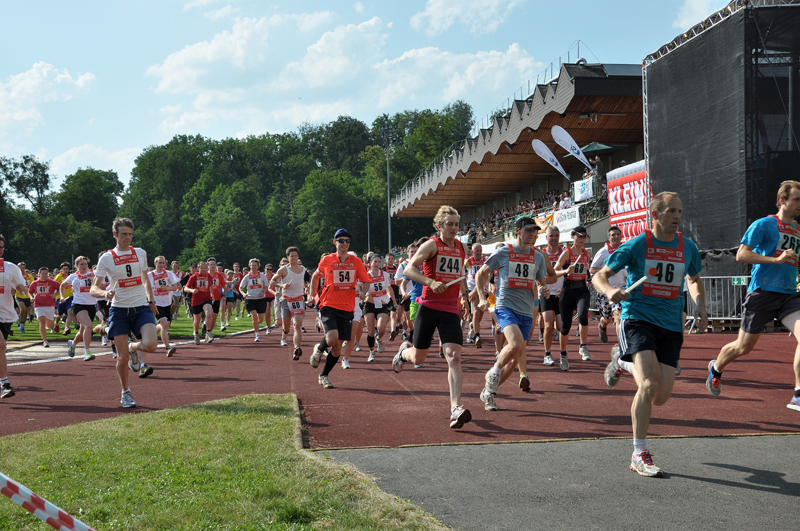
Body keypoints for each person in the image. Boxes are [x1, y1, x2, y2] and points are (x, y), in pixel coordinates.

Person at [594, 191, 708, 477]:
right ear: (655, 215)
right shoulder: (638, 244)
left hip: (671, 324)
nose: (677, 216)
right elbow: (599, 276)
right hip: (638, 318)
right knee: (648, 384)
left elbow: (694, 279)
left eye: (679, 211)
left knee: (660, 397)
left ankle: (622, 362)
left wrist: (700, 306)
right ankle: (639, 452)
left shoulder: (687, 247)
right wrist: (610, 291)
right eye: (671, 211)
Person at [706, 181, 800, 412]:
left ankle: (798, 395)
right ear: (782, 200)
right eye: (797, 199)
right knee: (743, 347)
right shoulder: (764, 224)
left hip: (789, 295)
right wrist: (776, 260)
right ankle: (716, 369)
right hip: (762, 293)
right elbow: (742, 255)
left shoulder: (797, 229)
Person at [392, 206, 473, 429]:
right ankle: (403, 353)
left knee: (454, 356)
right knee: (418, 357)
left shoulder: (461, 247)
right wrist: (430, 282)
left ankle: (455, 408)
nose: (454, 228)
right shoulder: (431, 245)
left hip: (450, 309)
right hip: (428, 307)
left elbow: (460, 275)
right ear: (439, 226)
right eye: (450, 224)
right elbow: (409, 270)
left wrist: (464, 297)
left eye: (457, 224)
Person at [472, 217, 555, 410]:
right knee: (516, 344)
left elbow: (541, 281)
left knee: (515, 358)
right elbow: (481, 273)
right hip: (505, 306)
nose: (532, 234)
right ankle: (493, 371)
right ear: (517, 231)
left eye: (534, 231)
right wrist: (482, 298)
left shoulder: (538, 257)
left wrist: (544, 289)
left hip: (526, 309)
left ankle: (488, 393)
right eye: (528, 230)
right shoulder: (503, 252)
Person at [90, 217, 159, 408]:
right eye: (123, 234)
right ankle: (126, 392)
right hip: (119, 309)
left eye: (130, 234)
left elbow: (145, 279)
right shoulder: (107, 258)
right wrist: (105, 293)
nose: (127, 238)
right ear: (115, 234)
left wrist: (151, 300)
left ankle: (132, 347)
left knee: (151, 345)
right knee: (122, 359)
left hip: (141, 307)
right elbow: (93, 289)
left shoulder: (140, 253)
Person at [307, 229, 370, 388]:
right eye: (341, 240)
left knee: (336, 349)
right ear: (334, 242)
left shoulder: (356, 261)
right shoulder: (327, 260)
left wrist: (363, 292)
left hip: (347, 308)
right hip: (328, 305)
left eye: (347, 241)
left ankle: (324, 375)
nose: (344, 243)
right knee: (332, 338)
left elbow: (366, 281)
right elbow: (315, 276)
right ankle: (319, 349)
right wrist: (311, 295)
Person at [553, 226, 593, 369]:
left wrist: (590, 279)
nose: (582, 239)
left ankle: (583, 346)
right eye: (580, 236)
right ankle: (563, 355)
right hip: (568, 290)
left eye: (584, 237)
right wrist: (565, 271)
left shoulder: (587, 254)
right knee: (565, 327)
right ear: (573, 237)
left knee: (583, 316)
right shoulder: (567, 253)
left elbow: (588, 270)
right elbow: (554, 271)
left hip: (582, 289)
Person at [0, 235, 29, 398]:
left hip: (5, 313)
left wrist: (20, 288)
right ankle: (5, 384)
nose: (0, 250)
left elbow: (22, 287)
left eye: (1, 247)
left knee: (1, 348)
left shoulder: (11, 267)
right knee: (1, 346)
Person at [590, 226, 627, 343]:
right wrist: (607, 271)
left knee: (618, 315)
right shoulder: (603, 252)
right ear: (609, 237)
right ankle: (602, 326)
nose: (615, 237)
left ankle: (621, 345)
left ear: (621, 236)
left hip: (621, 288)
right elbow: (592, 269)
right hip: (605, 289)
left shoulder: (625, 250)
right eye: (613, 235)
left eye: (618, 234)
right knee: (608, 318)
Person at [270, 247, 307, 361]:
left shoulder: (303, 269)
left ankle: (297, 348)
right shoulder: (283, 269)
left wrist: (307, 289)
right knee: (286, 326)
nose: (294, 258)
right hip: (286, 300)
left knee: (297, 324)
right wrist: (282, 285)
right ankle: (284, 335)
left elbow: (308, 281)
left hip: (298, 299)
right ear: (288, 257)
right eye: (291, 256)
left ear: (298, 257)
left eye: (296, 256)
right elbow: (272, 282)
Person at [62, 256, 101, 361]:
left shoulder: (93, 275)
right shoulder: (73, 276)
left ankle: (72, 344)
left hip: (91, 305)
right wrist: (61, 297)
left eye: (85, 264)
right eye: (81, 264)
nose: (84, 266)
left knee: (82, 331)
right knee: (89, 325)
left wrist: (96, 283)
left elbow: (102, 287)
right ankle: (87, 352)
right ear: (76, 265)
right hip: (78, 305)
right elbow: (62, 285)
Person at [363, 254, 397, 362]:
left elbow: (389, 289)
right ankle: (371, 352)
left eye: (379, 261)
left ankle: (379, 339)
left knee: (381, 328)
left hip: (382, 304)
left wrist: (394, 302)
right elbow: (362, 290)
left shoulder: (385, 274)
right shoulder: (366, 276)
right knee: (370, 331)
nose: (377, 264)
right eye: (375, 261)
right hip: (370, 304)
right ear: (370, 263)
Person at [540, 226, 566, 365]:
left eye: (556, 235)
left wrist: (565, 288)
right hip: (546, 293)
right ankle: (547, 354)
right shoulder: (541, 254)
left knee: (561, 327)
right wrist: (541, 287)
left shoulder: (564, 253)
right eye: (551, 236)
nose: (554, 238)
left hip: (561, 293)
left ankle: (563, 354)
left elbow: (569, 273)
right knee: (549, 325)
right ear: (546, 237)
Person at [148, 256, 181, 357]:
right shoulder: (149, 275)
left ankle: (153, 330)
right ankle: (168, 348)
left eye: (163, 263)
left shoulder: (169, 274)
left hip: (167, 302)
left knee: (165, 326)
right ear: (155, 263)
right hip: (156, 303)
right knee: (164, 323)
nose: (162, 265)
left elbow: (177, 286)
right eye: (160, 263)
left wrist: (167, 288)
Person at [184, 261, 215, 344]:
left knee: (209, 314)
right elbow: (185, 288)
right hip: (196, 300)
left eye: (205, 268)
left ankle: (208, 332)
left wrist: (212, 295)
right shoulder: (194, 277)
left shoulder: (209, 276)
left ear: (207, 268)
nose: (203, 270)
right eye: (202, 268)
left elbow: (211, 286)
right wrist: (192, 290)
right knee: (197, 320)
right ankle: (196, 334)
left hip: (206, 299)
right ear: (198, 268)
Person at [29, 267, 61, 347]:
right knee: (42, 321)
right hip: (38, 305)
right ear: (39, 274)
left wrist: (56, 294)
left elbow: (61, 287)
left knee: (49, 325)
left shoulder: (52, 282)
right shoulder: (34, 283)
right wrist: (31, 297)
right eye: (42, 273)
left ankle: (53, 322)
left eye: (46, 273)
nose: (44, 275)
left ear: (48, 274)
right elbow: (30, 292)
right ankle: (45, 341)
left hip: (50, 305)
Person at [240, 258, 269, 342]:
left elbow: (266, 286)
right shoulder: (247, 277)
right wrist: (243, 294)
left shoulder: (262, 276)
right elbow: (240, 287)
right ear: (249, 266)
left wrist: (263, 292)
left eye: (255, 265)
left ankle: (256, 324)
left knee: (261, 319)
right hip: (250, 299)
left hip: (260, 299)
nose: (253, 267)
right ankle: (257, 334)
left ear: (258, 266)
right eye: (252, 265)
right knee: (254, 316)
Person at [383, 253, 401, 341]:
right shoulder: (383, 270)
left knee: (393, 313)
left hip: (395, 293)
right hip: (385, 294)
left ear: (394, 260)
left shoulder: (397, 269)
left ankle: (393, 331)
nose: (390, 260)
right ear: (386, 260)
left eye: (392, 259)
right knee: (385, 315)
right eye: (389, 259)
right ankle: (380, 329)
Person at [53, 262, 75, 335]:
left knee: (70, 312)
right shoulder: (58, 276)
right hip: (61, 298)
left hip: (70, 297)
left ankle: (66, 328)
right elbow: (54, 286)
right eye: (64, 269)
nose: (65, 270)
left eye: (67, 269)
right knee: (59, 315)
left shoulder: (71, 276)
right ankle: (56, 322)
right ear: (61, 269)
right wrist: (54, 294)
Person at [206, 258, 225, 338]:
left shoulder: (219, 275)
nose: (213, 266)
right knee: (210, 314)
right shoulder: (205, 274)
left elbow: (223, 286)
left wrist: (223, 295)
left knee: (215, 316)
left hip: (217, 297)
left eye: (214, 264)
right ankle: (205, 325)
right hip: (207, 297)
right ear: (208, 266)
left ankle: (209, 333)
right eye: (211, 264)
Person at [14, 262, 34, 333]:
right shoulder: (15, 276)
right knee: (22, 309)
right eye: (20, 268)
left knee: (25, 313)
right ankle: (20, 322)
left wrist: (33, 295)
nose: (22, 269)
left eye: (23, 268)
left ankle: (22, 324)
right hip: (18, 295)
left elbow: (33, 285)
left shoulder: (30, 276)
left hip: (27, 296)